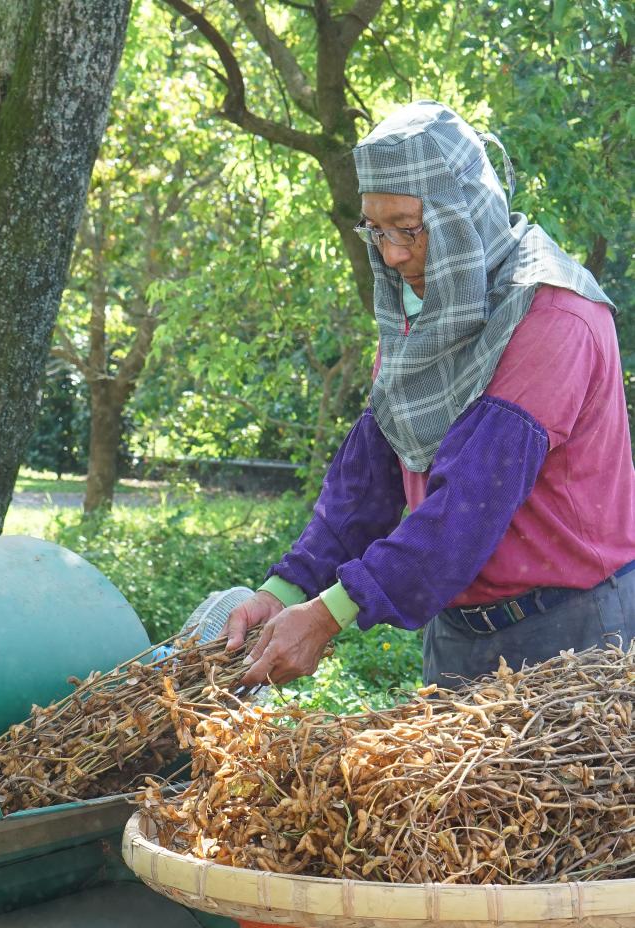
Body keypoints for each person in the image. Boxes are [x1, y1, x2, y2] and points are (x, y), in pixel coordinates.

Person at [223, 101, 635, 690]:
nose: (390, 255)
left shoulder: (554, 317)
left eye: (408, 229)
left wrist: (326, 616)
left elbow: (465, 509)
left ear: (462, 216)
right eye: (376, 229)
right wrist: (284, 591)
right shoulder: (425, 321)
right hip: (458, 632)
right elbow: (365, 484)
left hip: (570, 630)